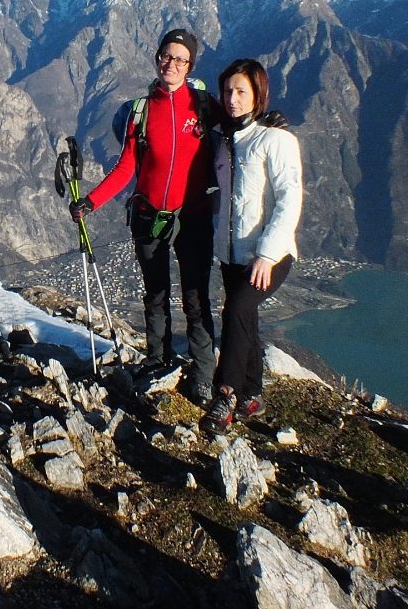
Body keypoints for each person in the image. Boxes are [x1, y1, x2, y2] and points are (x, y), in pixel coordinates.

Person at [69, 29, 221, 401]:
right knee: (155, 292)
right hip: (148, 215)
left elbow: (239, 123)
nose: (171, 64)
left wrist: (269, 122)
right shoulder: (141, 111)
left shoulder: (205, 106)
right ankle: (158, 357)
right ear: (156, 58)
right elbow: (125, 168)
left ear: (190, 65)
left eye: (180, 59)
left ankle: (203, 374)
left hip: (193, 216)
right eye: (166, 57)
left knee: (195, 297)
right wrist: (90, 202)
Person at [200, 58, 302, 435]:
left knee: (236, 310)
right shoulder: (225, 142)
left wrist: (267, 254)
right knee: (246, 319)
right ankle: (251, 395)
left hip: (269, 255)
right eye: (227, 91)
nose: (232, 98)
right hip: (232, 254)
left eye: (242, 91)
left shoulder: (276, 140)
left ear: (258, 95)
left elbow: (290, 198)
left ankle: (224, 395)